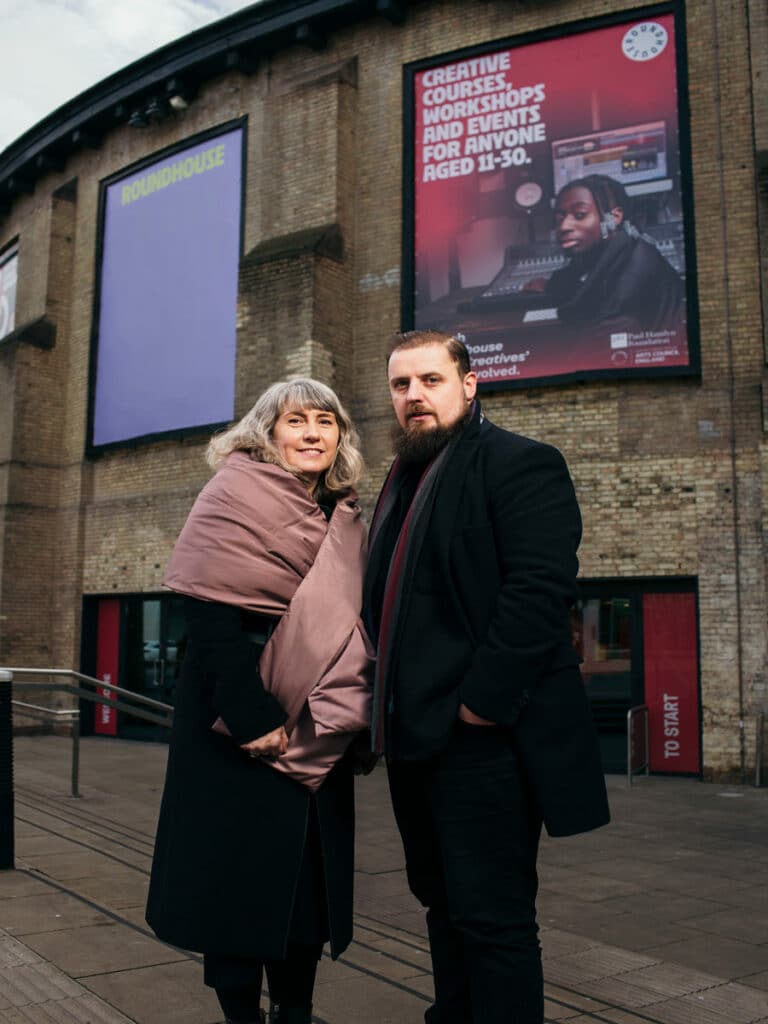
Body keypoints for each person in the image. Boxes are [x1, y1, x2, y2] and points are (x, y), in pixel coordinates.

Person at [363, 330, 610, 1024]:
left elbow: (539, 592)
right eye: (400, 385)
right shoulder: (400, 483)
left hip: (482, 743)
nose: (413, 396)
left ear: (470, 385)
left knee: (493, 919)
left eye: (430, 380)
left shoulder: (519, 464)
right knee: (442, 904)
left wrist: (479, 708)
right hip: (412, 743)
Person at [146, 379, 373, 1024]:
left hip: (318, 722)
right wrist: (252, 718)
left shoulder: (345, 515)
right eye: (295, 420)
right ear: (267, 432)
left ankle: (295, 1010)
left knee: (306, 885)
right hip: (238, 722)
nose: (311, 433)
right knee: (234, 884)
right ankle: (242, 1014)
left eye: (325, 421)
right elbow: (207, 616)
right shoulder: (233, 492)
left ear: (340, 437)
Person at [542, 174, 684, 332]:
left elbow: (592, 324)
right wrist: (549, 286)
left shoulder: (636, 268)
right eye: (559, 218)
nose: (563, 227)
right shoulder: (611, 251)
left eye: (580, 215)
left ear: (614, 218)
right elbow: (582, 277)